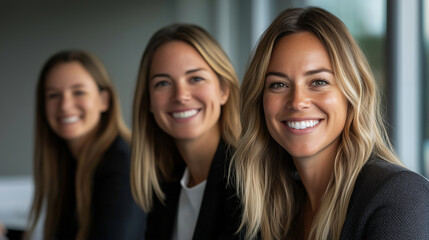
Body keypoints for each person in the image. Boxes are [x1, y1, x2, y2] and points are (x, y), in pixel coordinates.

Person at [232, 7, 429, 240]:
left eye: (318, 81)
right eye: (278, 84)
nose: (297, 102)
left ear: (352, 94)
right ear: (259, 100)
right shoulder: (272, 205)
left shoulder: (397, 197)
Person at [130, 24, 241, 240]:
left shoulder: (247, 181)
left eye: (196, 78)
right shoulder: (164, 187)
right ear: (149, 102)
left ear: (223, 90)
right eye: (163, 83)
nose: (180, 95)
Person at [26, 50, 146, 240]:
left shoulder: (122, 166)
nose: (64, 105)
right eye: (53, 95)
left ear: (104, 100)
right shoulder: (70, 162)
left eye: (78, 92)